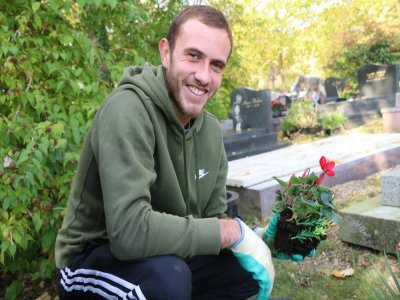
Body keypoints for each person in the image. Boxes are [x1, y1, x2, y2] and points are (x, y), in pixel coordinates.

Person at [55, 5, 294, 300]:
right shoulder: (128, 109)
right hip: (88, 262)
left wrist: (253, 237)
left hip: (164, 256)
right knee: (167, 280)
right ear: (166, 53)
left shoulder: (209, 131)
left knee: (242, 269)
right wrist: (231, 232)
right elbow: (128, 234)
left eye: (216, 65)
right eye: (193, 56)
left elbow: (211, 221)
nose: (204, 76)